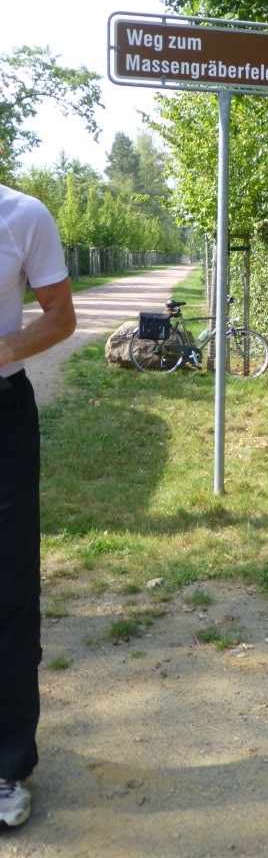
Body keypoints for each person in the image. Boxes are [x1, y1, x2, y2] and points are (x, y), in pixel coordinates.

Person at [0, 183, 76, 827]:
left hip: (1, 416)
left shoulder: (23, 215)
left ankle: (7, 765)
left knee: (8, 589)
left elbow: (60, 316)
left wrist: (1, 351)